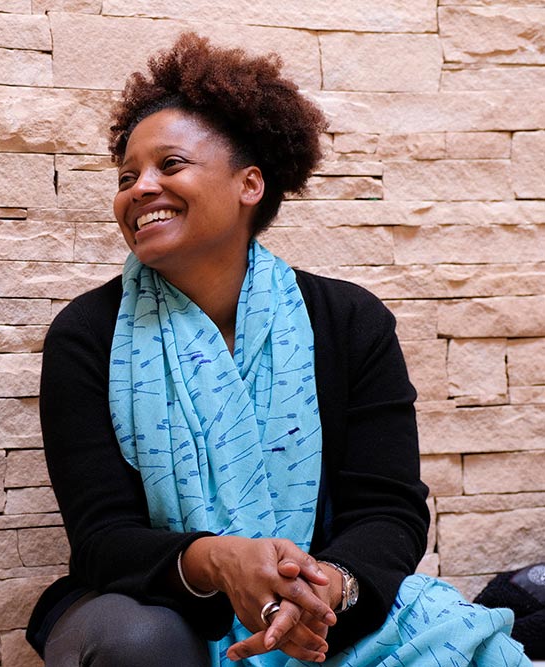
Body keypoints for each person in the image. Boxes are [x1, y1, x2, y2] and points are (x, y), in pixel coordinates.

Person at [26, 33, 531, 667]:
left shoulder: (349, 322)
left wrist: (324, 590)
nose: (139, 189)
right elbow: (102, 539)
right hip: (163, 603)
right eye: (127, 176)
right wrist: (218, 560)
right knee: (140, 643)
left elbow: (388, 507)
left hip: (330, 602)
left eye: (170, 165)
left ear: (250, 184)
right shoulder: (88, 334)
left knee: (454, 638)